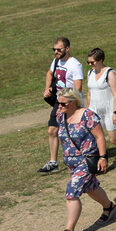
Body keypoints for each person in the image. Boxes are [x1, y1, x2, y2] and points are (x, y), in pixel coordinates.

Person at [52, 88, 115, 231]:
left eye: (62, 103)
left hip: (86, 161)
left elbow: (100, 136)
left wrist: (103, 157)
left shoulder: (87, 115)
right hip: (70, 162)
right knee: (90, 188)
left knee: (72, 193)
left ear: (73, 102)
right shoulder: (61, 116)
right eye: (57, 103)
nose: (58, 106)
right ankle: (109, 207)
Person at [39, 37, 84, 175]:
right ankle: (53, 163)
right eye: (54, 49)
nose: (56, 52)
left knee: (77, 132)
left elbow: (78, 87)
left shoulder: (75, 65)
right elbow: (49, 73)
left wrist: (70, 103)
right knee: (52, 131)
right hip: (59, 103)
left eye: (59, 49)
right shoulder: (57, 60)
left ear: (67, 49)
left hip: (72, 103)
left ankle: (88, 156)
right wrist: (47, 88)